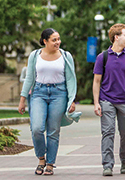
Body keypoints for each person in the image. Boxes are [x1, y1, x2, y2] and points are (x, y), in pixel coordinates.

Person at [18, 28, 81, 175]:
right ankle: (41, 158)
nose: (58, 42)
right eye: (54, 40)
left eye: (58, 39)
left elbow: (71, 80)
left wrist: (72, 100)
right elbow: (29, 78)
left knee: (53, 131)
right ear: (45, 41)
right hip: (38, 93)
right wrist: (22, 100)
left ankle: (50, 163)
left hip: (59, 94)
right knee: (37, 128)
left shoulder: (65, 56)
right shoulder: (35, 55)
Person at [92, 23, 125, 176]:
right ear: (116, 37)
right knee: (107, 132)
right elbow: (96, 81)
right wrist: (96, 103)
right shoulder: (103, 57)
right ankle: (107, 165)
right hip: (107, 100)